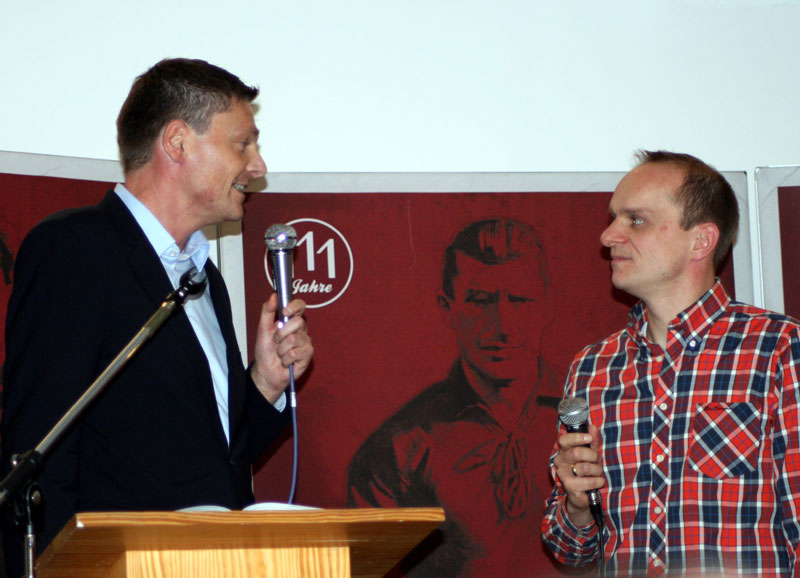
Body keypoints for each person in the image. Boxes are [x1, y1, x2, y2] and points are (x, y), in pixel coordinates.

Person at [0, 58, 313, 577]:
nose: (258, 166)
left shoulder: (203, 278)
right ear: (177, 143)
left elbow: (215, 467)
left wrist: (262, 382)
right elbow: (40, 456)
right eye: (243, 144)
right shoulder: (75, 250)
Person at [542, 150, 800, 576]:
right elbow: (570, 552)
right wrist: (576, 503)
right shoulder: (592, 368)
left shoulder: (778, 350)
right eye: (612, 219)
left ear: (700, 240)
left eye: (635, 220)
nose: (608, 236)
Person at [348, 218, 564, 577]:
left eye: (520, 300)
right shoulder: (398, 447)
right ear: (448, 309)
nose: (503, 326)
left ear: (547, 305)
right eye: (480, 302)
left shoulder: (599, 420)